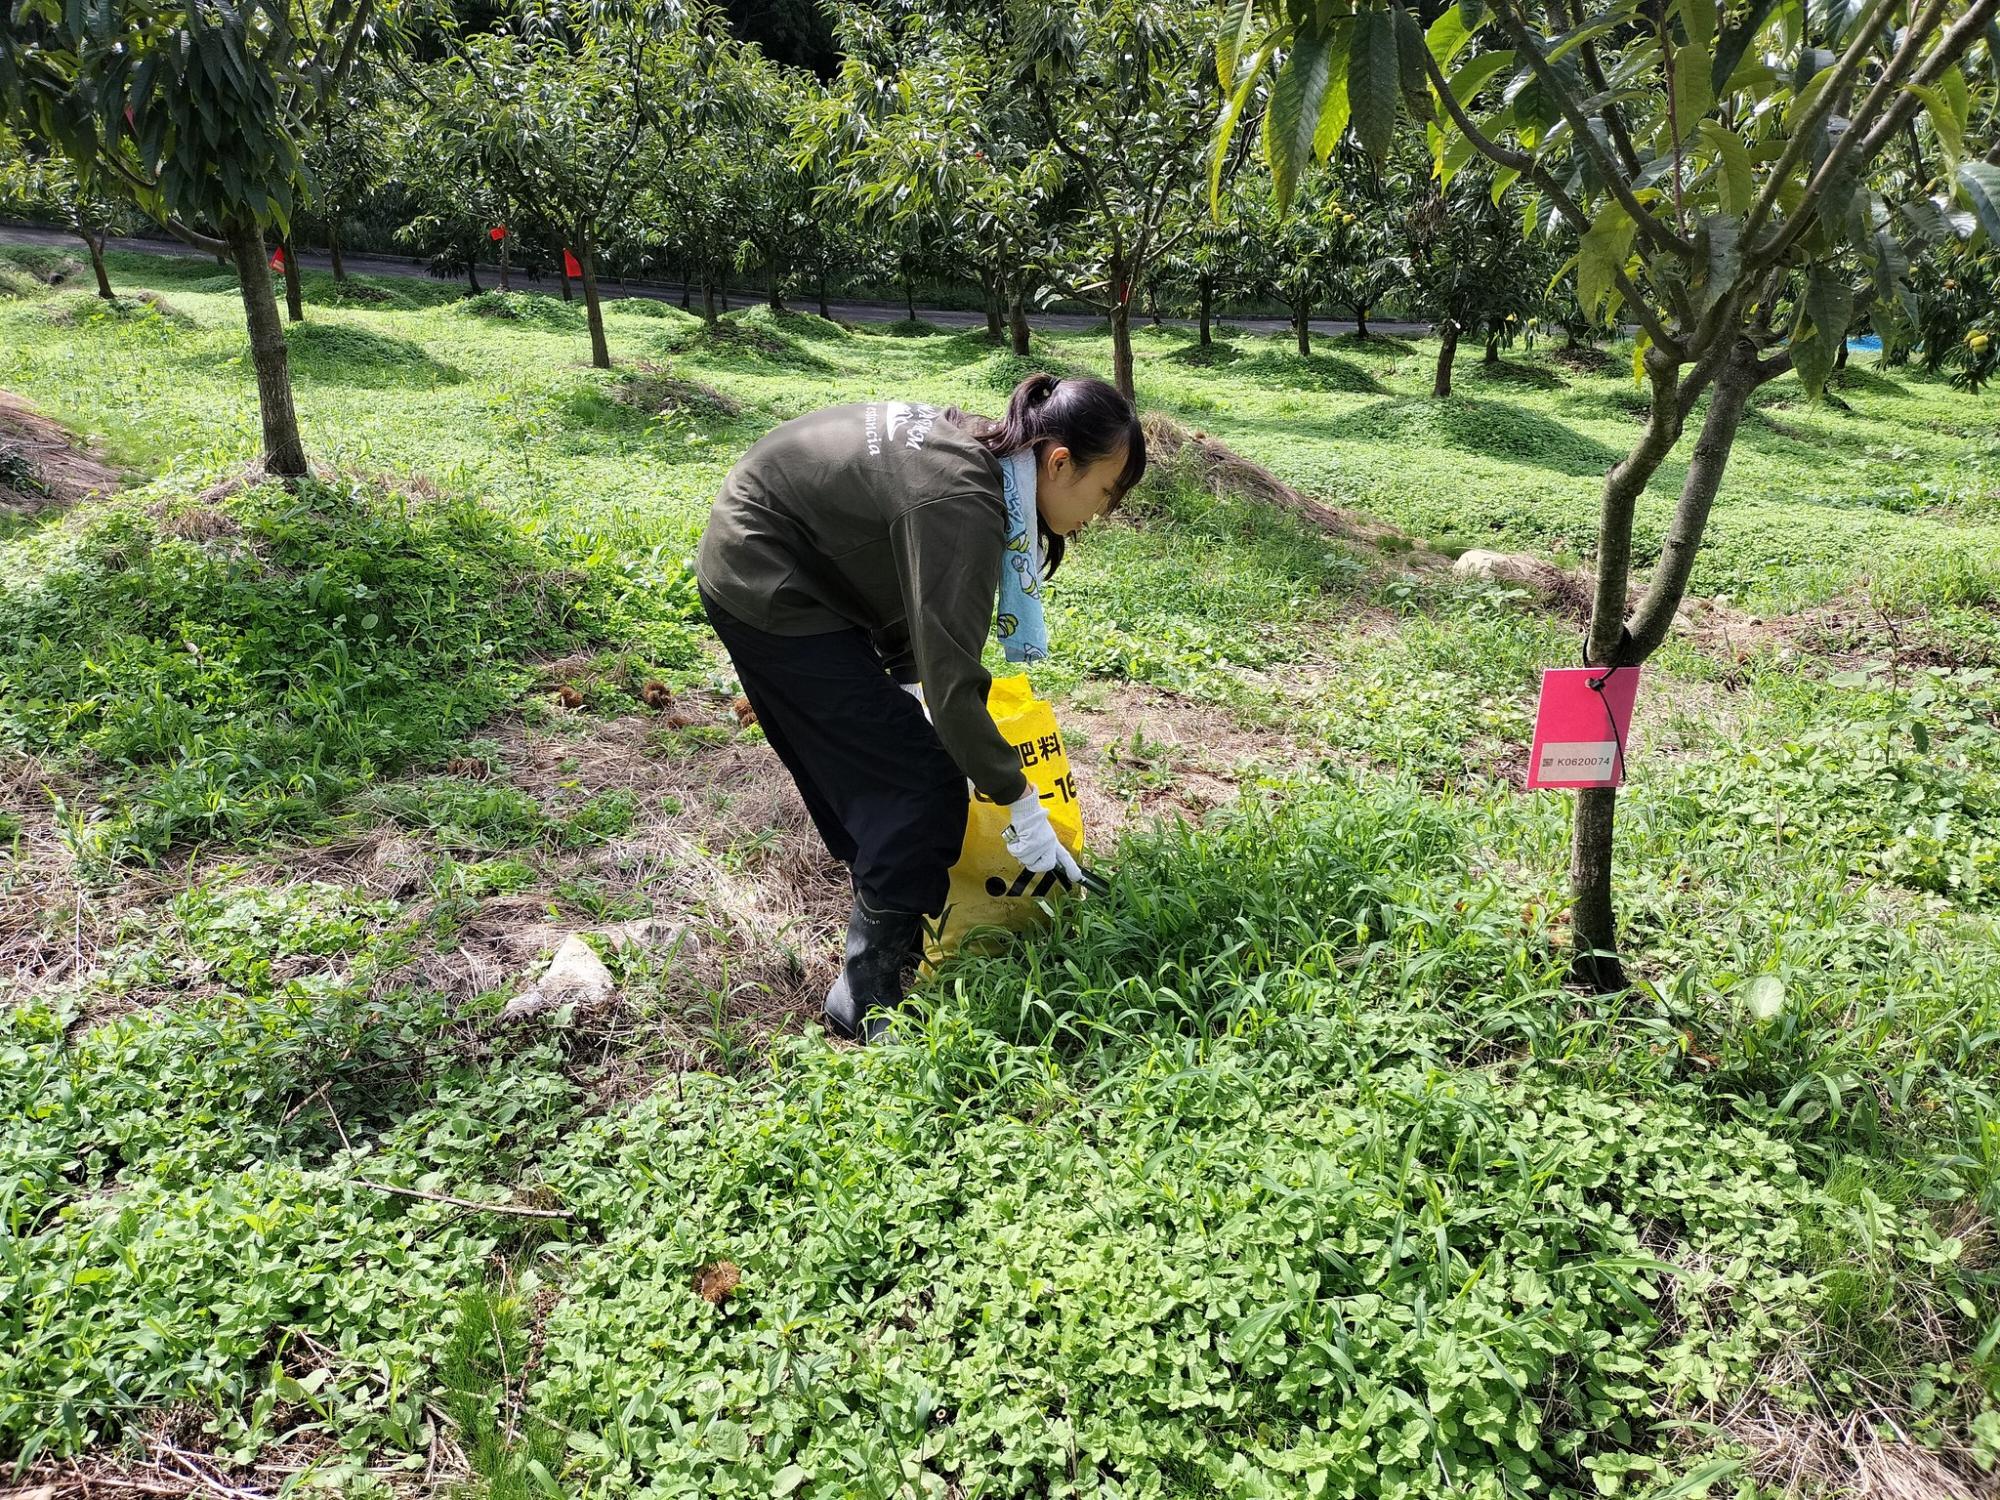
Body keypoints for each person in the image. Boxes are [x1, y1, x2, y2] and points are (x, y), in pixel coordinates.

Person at [695, 373, 1146, 1042]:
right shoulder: (965, 499)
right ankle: (864, 991)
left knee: (897, 765)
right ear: (1058, 462)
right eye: (1105, 493)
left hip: (805, 562)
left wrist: (912, 695)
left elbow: (917, 599)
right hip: (767, 575)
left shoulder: (980, 459)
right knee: (921, 784)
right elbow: (956, 681)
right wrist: (1019, 801)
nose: (1098, 517)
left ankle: (893, 918)